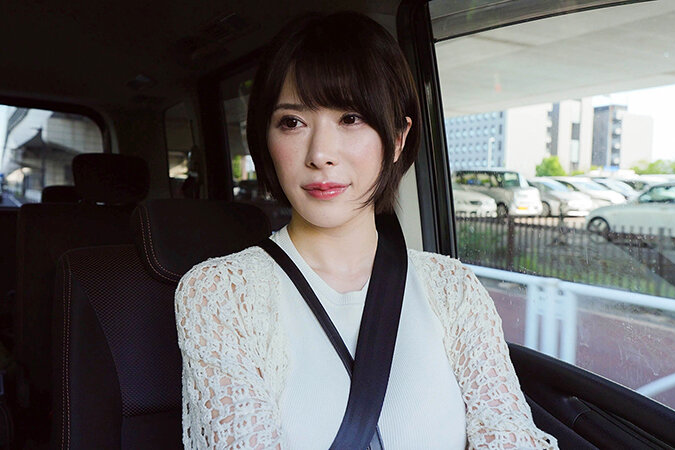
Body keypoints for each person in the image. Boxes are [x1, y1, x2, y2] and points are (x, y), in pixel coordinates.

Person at [175, 11, 557, 450]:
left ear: (398, 138)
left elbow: (507, 433)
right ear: (266, 139)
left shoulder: (454, 289)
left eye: (351, 118)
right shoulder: (219, 294)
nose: (320, 153)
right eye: (292, 122)